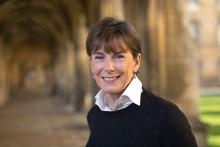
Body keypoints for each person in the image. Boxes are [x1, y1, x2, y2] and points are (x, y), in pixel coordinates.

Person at [85, 17, 198, 147]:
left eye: (119, 56)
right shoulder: (95, 115)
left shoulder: (167, 117)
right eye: (99, 57)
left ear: (136, 62)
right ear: (92, 64)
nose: (109, 67)